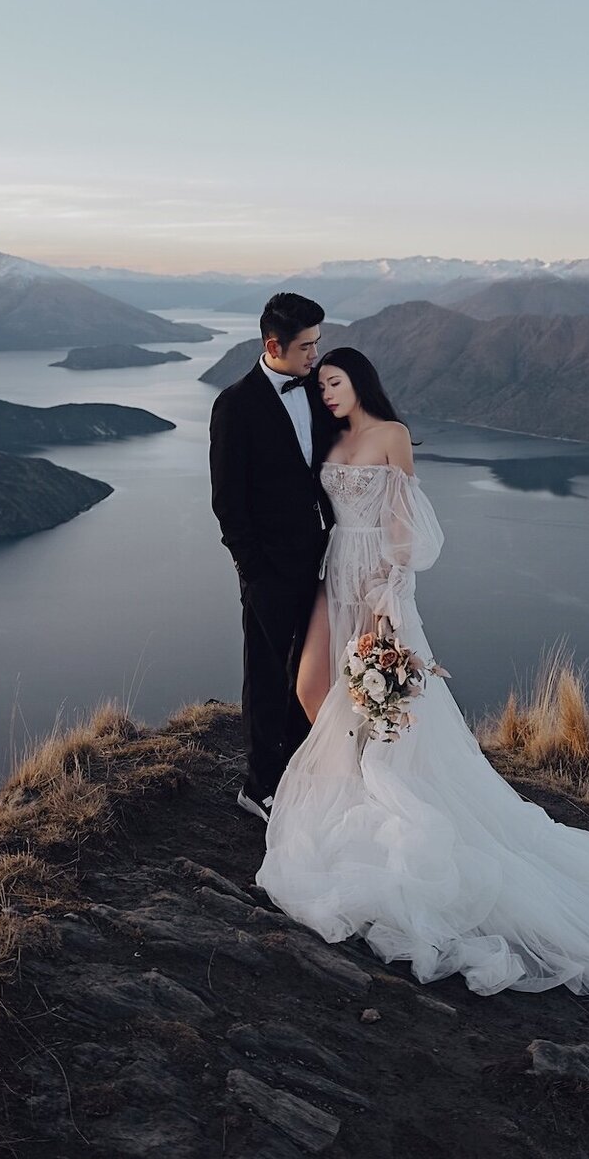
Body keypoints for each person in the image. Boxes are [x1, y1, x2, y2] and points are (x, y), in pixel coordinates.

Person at [253, 346, 589, 1000]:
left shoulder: (392, 436)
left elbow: (407, 524)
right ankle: (349, 784)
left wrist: (389, 593)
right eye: (320, 383)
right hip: (336, 571)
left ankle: (372, 789)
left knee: (374, 701)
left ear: (359, 383)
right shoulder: (330, 436)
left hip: (379, 580)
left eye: (335, 381)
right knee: (309, 685)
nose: (326, 392)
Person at [209, 292, 335, 823]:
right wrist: (252, 569)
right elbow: (227, 501)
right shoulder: (235, 405)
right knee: (267, 672)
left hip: (325, 558)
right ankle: (260, 785)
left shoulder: (319, 389)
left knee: (310, 671)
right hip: (268, 567)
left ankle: (300, 770)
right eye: (306, 346)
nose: (315, 355)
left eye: (318, 343)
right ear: (273, 345)